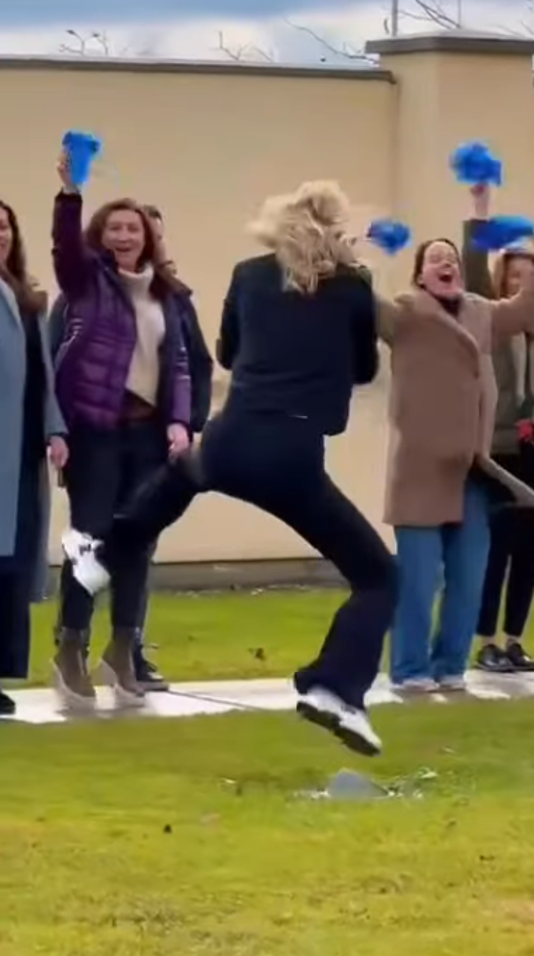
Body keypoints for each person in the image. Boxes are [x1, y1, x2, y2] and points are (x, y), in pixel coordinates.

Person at [62, 180, 398, 757]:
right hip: (290, 450)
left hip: (229, 436)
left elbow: (227, 350)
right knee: (379, 577)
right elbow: (365, 368)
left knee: (183, 475)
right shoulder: (353, 285)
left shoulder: (249, 273)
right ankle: (336, 688)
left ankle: (102, 554)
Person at [49, 203, 213, 692]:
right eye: (114, 227)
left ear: (148, 238)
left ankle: (123, 649)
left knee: (137, 540)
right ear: (100, 235)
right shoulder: (87, 283)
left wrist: (181, 421)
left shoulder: (167, 294)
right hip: (96, 431)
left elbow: (181, 364)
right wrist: (70, 194)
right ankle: (71, 646)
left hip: (148, 434)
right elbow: (64, 248)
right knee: (90, 539)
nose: (124, 235)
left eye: (133, 228)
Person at [382, 185, 534, 693]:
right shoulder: (405, 313)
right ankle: (409, 670)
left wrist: (491, 224)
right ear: (419, 275)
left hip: (474, 470)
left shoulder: (481, 312)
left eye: (451, 257)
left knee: (469, 578)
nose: (446, 263)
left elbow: (525, 307)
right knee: (420, 581)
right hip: (421, 469)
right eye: (435, 258)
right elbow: (362, 302)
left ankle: (450, 665)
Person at [462, 186, 534, 673]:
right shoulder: (488, 315)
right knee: (497, 549)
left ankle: (513, 640)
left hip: (532, 450)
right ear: (502, 278)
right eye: (515, 275)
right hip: (498, 448)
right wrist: (480, 213)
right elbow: (471, 269)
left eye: (530, 276)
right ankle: (485, 641)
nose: (523, 283)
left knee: (529, 552)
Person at [0, 199, 68, 716]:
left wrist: (54, 428)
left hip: (19, 453)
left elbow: (44, 371)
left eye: (4, 227)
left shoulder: (27, 298)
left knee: (12, 564)